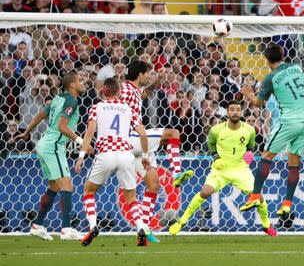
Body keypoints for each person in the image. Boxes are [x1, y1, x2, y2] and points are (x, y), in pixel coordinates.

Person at [169, 100, 276, 236]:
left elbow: (251, 144)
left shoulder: (249, 129)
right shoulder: (216, 130)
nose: (235, 112)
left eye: (238, 109)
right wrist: (216, 157)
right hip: (221, 170)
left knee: (257, 196)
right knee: (205, 192)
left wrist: (249, 151)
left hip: (240, 169)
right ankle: (181, 222)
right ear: (227, 112)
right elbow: (211, 144)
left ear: (241, 112)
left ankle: (266, 225)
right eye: (232, 109)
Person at [239, 43, 304, 219]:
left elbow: (259, 103)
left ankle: (255, 195)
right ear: (283, 55)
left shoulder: (270, 78)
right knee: (294, 162)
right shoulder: (297, 67)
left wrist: (248, 93)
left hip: (290, 120)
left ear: (266, 60)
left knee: (266, 156)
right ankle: (287, 204)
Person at [75, 77, 150, 247]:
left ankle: (93, 226)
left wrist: (81, 156)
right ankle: (141, 228)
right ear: (119, 92)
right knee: (131, 197)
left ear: (103, 90)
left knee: (88, 191)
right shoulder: (128, 108)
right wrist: (145, 155)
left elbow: (90, 132)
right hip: (126, 154)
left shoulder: (97, 107)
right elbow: (143, 134)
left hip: (106, 153)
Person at [120, 61, 193, 234]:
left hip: (136, 144)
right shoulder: (124, 90)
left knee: (153, 184)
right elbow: (117, 107)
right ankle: (177, 173)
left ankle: (144, 229)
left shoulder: (133, 89)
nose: (148, 76)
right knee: (173, 134)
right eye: (147, 74)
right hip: (132, 138)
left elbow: (144, 93)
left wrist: (157, 80)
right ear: (140, 75)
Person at [15, 72, 90, 241]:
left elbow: (41, 115)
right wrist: (82, 142)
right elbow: (62, 126)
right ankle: (66, 229)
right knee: (67, 185)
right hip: (53, 147)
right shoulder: (71, 100)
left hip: (44, 144)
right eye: (80, 81)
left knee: (55, 186)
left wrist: (27, 132)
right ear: (72, 85)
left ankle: (37, 225)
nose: (83, 83)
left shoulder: (57, 99)